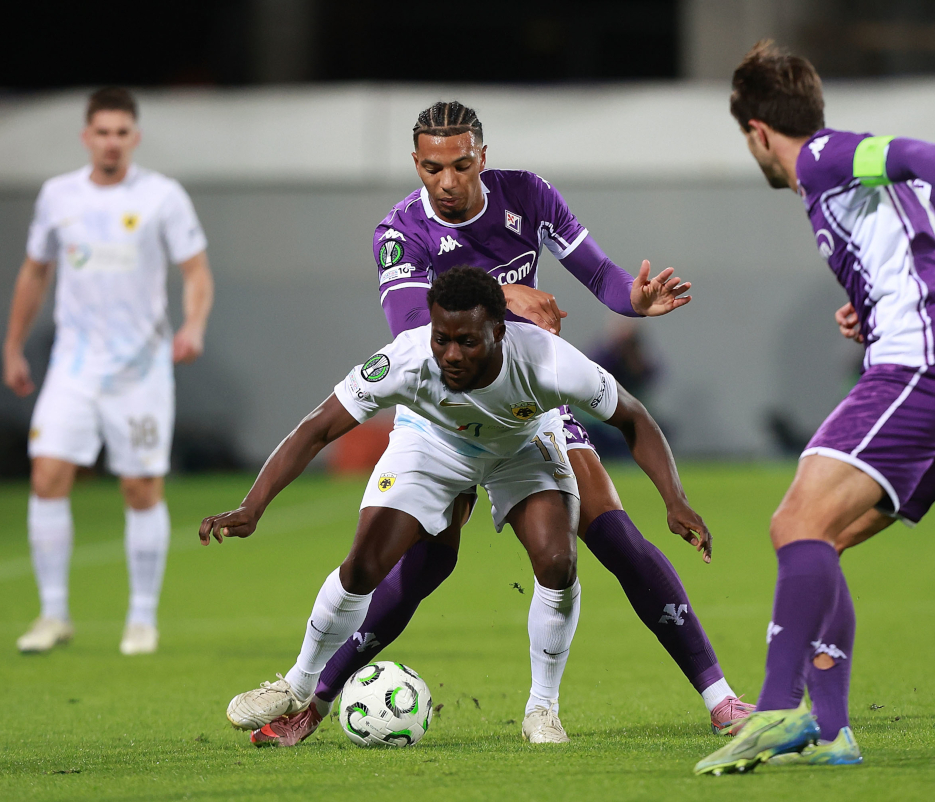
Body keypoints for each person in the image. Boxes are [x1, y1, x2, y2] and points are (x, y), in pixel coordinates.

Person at [227, 101, 753, 740]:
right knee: (420, 565)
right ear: (415, 164)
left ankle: (719, 699)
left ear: (483, 156)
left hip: (522, 402)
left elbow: (601, 276)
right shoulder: (400, 231)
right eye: (432, 168)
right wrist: (504, 295)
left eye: (461, 165)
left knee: (611, 539)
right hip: (440, 417)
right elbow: (414, 329)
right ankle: (310, 698)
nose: (447, 182)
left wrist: (633, 300)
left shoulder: (527, 197)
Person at [694, 41, 935, 775]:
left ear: (759, 132)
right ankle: (832, 733)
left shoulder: (823, 157)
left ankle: (775, 708)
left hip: (922, 371)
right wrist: (875, 299)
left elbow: (915, 153)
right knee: (819, 542)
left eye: (746, 138)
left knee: (794, 523)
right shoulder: (845, 189)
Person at [200, 268, 710, 746]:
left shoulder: (548, 360)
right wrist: (253, 506)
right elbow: (316, 429)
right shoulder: (405, 358)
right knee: (363, 566)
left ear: (499, 331)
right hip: (433, 444)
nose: (451, 354)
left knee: (558, 561)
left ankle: (542, 707)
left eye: (467, 341)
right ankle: (298, 685)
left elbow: (634, 418)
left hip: (520, 446)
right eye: (441, 338)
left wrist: (676, 500)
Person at [2, 87, 214, 656]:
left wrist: (193, 325)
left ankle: (141, 619)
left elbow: (196, 271)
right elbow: (34, 272)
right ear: (86, 137)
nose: (112, 142)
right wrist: (13, 346)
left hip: (140, 368)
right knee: (47, 475)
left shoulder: (162, 196)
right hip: (73, 364)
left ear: (134, 137)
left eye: (122, 132)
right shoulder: (58, 196)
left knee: (140, 487)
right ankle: (53, 614)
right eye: (102, 132)